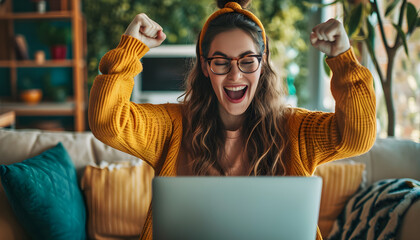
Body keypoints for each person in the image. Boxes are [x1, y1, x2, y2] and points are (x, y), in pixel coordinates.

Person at [88, 0, 376, 239]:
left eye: (247, 60)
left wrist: (343, 59)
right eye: (221, 62)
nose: (235, 76)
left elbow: (358, 136)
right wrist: (129, 51)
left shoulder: (294, 129)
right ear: (205, 66)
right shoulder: (172, 126)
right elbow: (107, 121)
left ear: (262, 65)